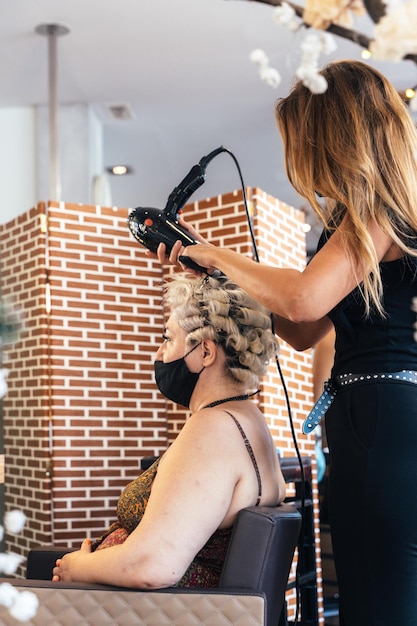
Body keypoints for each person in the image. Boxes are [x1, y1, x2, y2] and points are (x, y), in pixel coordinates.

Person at [156, 61, 417, 625]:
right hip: (369, 418)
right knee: (377, 589)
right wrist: (219, 276)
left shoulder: (376, 212)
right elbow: (302, 331)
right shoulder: (366, 222)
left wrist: (222, 256)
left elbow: (300, 301)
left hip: (383, 420)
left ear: (334, 137)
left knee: (380, 600)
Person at [52, 272, 285, 589]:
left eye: (168, 338)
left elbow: (154, 565)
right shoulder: (247, 419)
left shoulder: (213, 430)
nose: (160, 354)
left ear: (205, 352)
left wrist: (77, 567)